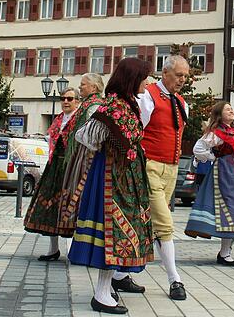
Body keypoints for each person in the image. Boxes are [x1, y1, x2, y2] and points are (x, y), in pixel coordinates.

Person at [68, 58, 154, 315]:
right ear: (132, 79)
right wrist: (109, 146)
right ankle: (101, 294)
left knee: (120, 232)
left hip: (126, 178)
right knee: (110, 232)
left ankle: (109, 287)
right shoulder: (112, 107)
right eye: (144, 78)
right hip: (110, 178)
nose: (147, 83)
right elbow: (85, 136)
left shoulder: (129, 105)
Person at [137, 55, 189, 300]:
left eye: (185, 76)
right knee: (164, 223)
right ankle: (174, 279)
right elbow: (136, 128)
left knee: (148, 223)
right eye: (179, 75)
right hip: (151, 166)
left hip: (171, 168)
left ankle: (117, 275)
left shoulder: (180, 101)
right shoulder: (148, 95)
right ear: (165, 73)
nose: (182, 80)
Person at [185, 101, 234, 266]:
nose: (231, 111)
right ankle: (224, 253)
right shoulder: (215, 133)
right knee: (229, 210)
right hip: (225, 174)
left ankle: (225, 252)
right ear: (219, 114)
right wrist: (214, 158)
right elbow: (198, 149)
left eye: (231, 109)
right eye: (227, 109)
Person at [24, 87, 80, 260]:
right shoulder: (58, 119)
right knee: (50, 206)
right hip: (54, 166)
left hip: (71, 166)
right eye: (63, 98)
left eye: (70, 98)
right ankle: (53, 248)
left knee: (71, 207)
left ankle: (73, 250)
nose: (65, 102)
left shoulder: (80, 119)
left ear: (77, 100)